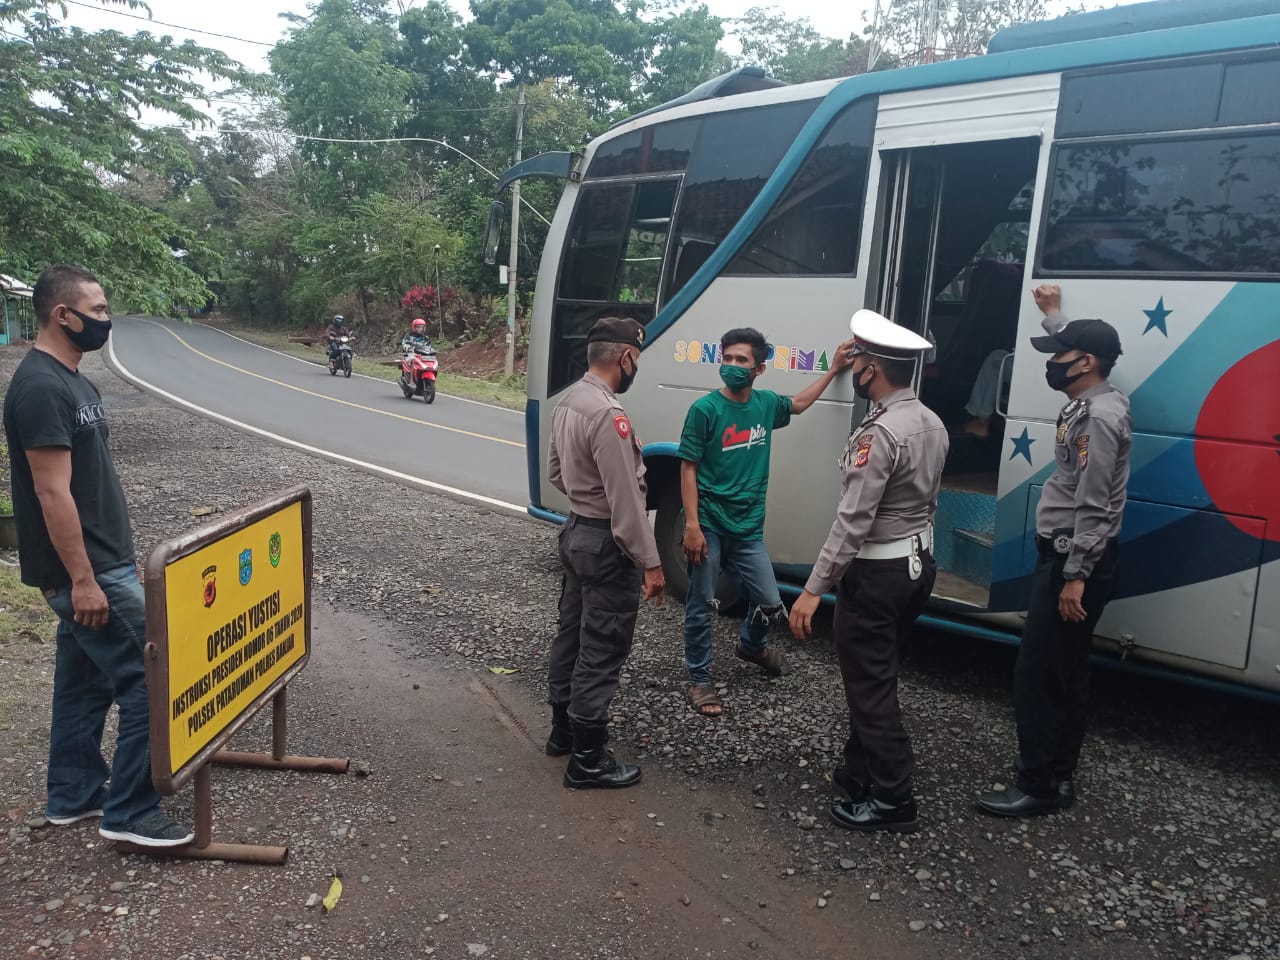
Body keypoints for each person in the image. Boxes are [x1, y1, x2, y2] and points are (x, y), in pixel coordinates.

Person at [3, 265, 193, 847]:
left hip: (103, 563)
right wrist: (84, 579)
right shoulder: (39, 387)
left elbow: (90, 483)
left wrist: (117, 560)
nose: (106, 321)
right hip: (82, 573)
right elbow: (50, 492)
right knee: (150, 678)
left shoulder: (75, 380)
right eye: (100, 310)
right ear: (64, 314)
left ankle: (74, 794)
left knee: (83, 684)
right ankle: (130, 812)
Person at [789, 310, 948, 834]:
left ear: (872, 368)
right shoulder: (930, 421)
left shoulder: (879, 433)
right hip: (916, 565)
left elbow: (853, 521)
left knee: (870, 686)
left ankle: (894, 797)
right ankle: (857, 772)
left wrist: (814, 588)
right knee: (876, 674)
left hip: (876, 574)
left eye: (858, 360)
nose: (854, 366)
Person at [976, 290, 1130, 818]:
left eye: (1059, 355)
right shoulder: (1097, 402)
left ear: (1086, 363)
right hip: (1077, 558)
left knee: (1039, 673)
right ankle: (1060, 777)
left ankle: (1036, 784)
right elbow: (1081, 343)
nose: (1050, 362)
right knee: (1068, 669)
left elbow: (1093, 498)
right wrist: (1054, 313)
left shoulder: (1097, 419)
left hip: (1073, 561)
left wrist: (1075, 574)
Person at [678, 328, 856, 717]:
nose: (731, 366)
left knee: (769, 601)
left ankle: (751, 646)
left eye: (741, 361)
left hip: (747, 527)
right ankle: (700, 678)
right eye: (726, 359)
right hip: (708, 521)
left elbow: (800, 404)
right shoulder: (704, 410)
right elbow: (688, 468)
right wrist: (691, 525)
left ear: (758, 369)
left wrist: (834, 369)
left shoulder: (765, 405)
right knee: (702, 603)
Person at [545, 316, 665, 790]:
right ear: (626, 357)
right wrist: (652, 563)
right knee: (603, 644)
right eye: (637, 359)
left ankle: (562, 734)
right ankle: (588, 761)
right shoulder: (608, 414)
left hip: (576, 530)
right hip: (607, 543)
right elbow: (628, 502)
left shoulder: (569, 401)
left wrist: (583, 496)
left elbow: (557, 472)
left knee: (570, 634)